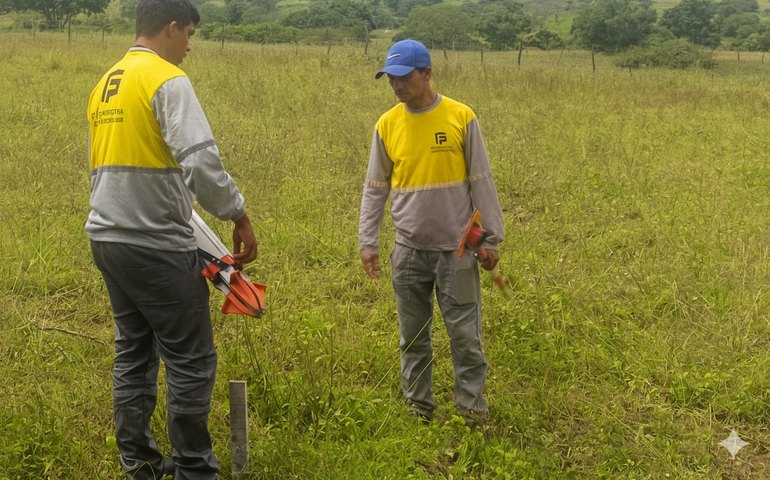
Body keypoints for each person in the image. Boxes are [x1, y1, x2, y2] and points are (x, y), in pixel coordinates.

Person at [86, 0, 257, 478]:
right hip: (156, 243)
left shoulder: (105, 83)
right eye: (190, 35)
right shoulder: (166, 79)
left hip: (108, 238)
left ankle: (138, 462)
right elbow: (200, 160)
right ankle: (194, 469)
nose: (189, 46)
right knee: (191, 359)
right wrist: (237, 213)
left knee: (134, 352)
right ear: (172, 27)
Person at [358, 39, 505, 424]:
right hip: (408, 252)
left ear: (427, 73)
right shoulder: (387, 125)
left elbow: (481, 181)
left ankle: (471, 410)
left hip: (456, 252)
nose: (397, 86)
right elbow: (375, 189)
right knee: (413, 337)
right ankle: (419, 408)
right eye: (391, 79)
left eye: (405, 78)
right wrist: (367, 242)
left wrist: (490, 239)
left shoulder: (460, 117)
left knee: (465, 337)